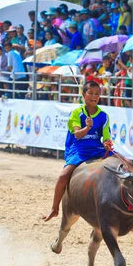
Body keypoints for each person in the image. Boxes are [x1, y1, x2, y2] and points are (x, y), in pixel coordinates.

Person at [43, 80, 114, 221]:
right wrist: (87, 127)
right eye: (91, 93)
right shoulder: (76, 113)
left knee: (125, 163)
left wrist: (107, 143)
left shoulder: (103, 116)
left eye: (97, 94)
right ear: (83, 95)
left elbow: (106, 137)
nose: (94, 96)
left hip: (96, 149)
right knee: (64, 175)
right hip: (79, 150)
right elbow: (77, 135)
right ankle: (54, 208)